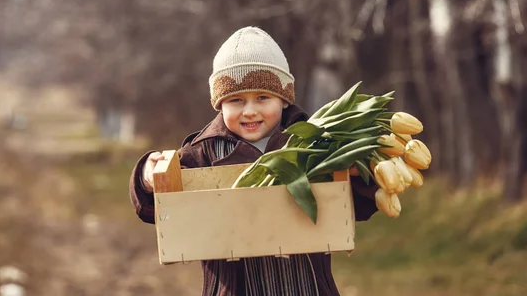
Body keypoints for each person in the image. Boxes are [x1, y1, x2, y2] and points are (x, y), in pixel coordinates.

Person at [129, 26, 379, 296]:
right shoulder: (203, 153)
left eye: (262, 97)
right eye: (236, 100)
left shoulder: (312, 143)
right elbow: (154, 209)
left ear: (283, 99)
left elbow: (359, 205)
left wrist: (359, 174)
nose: (250, 111)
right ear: (219, 104)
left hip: (306, 288)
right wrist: (147, 176)